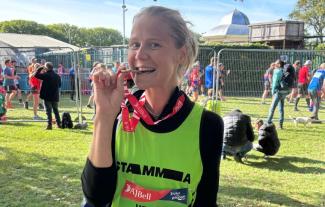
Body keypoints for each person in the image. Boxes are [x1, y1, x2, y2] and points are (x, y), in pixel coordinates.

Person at [81, 6, 224, 207]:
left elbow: (205, 201)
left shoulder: (208, 125)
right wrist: (104, 115)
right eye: (134, 44)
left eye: (154, 44)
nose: (139, 54)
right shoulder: (118, 113)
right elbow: (96, 197)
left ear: (181, 54)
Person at [32, 62, 61, 130]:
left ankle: (49, 125)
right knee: (56, 110)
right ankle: (59, 124)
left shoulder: (46, 75)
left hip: (47, 96)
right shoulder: (57, 76)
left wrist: (40, 68)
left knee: (48, 111)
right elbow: (59, 85)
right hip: (55, 95)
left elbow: (36, 75)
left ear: (46, 68)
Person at [266, 59, 290, 129]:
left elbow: (275, 82)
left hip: (278, 92)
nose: (274, 64)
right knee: (281, 109)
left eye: (276, 63)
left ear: (279, 65)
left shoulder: (277, 71)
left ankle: (268, 122)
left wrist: (273, 92)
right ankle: (280, 124)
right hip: (284, 92)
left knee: (272, 108)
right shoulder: (284, 71)